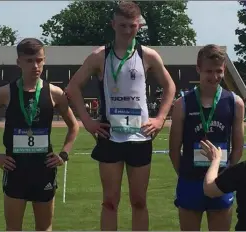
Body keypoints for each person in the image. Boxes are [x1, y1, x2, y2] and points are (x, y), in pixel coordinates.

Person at [66, 2, 176, 230]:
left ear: (139, 26)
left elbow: (170, 87)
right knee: (109, 202)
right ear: (113, 25)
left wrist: (160, 118)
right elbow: (73, 87)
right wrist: (87, 121)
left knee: (139, 201)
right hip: (110, 136)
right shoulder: (99, 56)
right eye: (123, 25)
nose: (127, 31)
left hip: (140, 137)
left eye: (132, 26)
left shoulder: (148, 55)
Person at [0, 38, 79, 231]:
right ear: (19, 62)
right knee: (13, 228)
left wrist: (63, 154)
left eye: (39, 60)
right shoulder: (5, 93)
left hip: (44, 169)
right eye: (29, 60)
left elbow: (73, 126)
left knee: (44, 227)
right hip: (16, 169)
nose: (35, 66)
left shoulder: (54, 93)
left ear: (44, 60)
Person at [169, 44, 245, 231]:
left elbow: (238, 147)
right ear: (198, 69)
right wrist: (185, 174)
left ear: (224, 69)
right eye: (208, 71)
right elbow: (173, 149)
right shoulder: (183, 103)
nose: (214, 76)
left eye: (218, 71)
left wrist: (227, 175)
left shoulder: (235, 102)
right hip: (190, 181)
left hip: (220, 182)